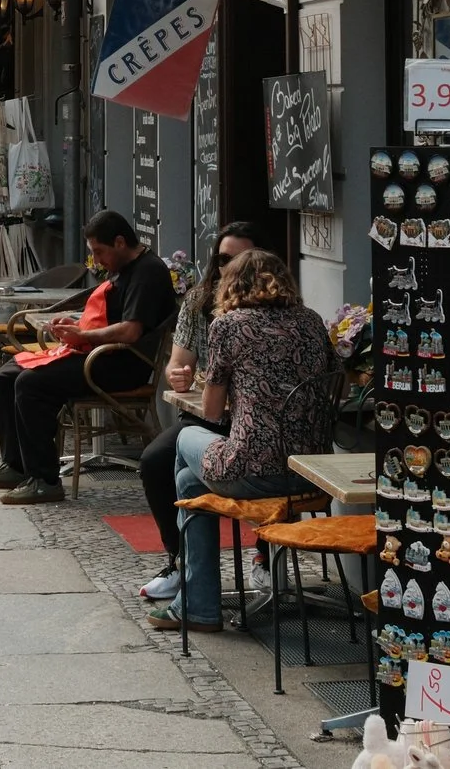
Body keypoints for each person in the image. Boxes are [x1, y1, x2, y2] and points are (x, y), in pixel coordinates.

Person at [150, 249, 333, 632]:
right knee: (187, 482)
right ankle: (195, 601)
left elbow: (212, 412)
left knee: (186, 436)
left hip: (255, 472)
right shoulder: (312, 322)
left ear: (231, 285)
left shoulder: (229, 325)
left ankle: (196, 603)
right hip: (314, 473)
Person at [0, 210, 177, 506]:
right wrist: (77, 328)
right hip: (100, 354)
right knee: (6, 375)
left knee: (31, 384)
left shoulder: (148, 271)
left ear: (120, 242)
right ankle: (16, 464)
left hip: (122, 363)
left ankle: (45, 479)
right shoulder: (122, 266)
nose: (96, 262)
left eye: (99, 252)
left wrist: (82, 337)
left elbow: (130, 331)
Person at [137, 222, 262, 604]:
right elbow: (179, 368)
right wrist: (180, 375)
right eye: (224, 259)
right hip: (210, 420)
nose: (231, 269)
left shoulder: (274, 307)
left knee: (195, 470)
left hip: (257, 425)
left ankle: (263, 558)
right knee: (156, 460)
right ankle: (179, 562)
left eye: (240, 260)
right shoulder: (199, 302)